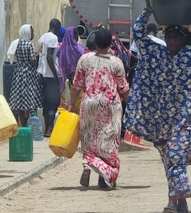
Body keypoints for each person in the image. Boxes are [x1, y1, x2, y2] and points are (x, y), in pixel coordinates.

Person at [124, 0, 191, 213]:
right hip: (162, 122)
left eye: (177, 36)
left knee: (176, 157)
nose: (172, 40)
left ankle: (171, 203)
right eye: (169, 36)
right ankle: (181, 200)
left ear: (184, 38)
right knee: (170, 161)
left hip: (186, 120)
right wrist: (148, 9)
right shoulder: (156, 54)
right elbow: (138, 34)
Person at [68, 28, 129, 189]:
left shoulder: (85, 59)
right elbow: (123, 88)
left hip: (89, 103)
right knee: (109, 141)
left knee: (89, 139)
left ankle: (87, 167)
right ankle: (105, 177)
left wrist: (72, 103)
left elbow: (77, 85)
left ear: (95, 42)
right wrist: (130, 107)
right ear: (110, 43)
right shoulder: (116, 62)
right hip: (110, 106)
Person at [9, 25, 42, 126]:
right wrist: (38, 55)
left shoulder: (16, 43)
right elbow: (32, 61)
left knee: (20, 99)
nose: (33, 34)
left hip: (18, 72)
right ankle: (32, 123)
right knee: (31, 97)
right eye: (32, 32)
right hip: (29, 74)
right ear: (27, 33)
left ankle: (22, 124)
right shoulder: (29, 45)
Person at [38, 18, 61, 136]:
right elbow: (49, 57)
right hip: (50, 75)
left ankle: (46, 127)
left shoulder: (42, 38)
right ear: (56, 27)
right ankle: (50, 129)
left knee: (46, 102)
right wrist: (56, 75)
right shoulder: (53, 38)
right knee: (53, 101)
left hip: (42, 74)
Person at [58, 26, 85, 96]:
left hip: (65, 78)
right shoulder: (79, 48)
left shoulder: (61, 49)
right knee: (78, 97)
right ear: (75, 36)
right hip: (78, 77)